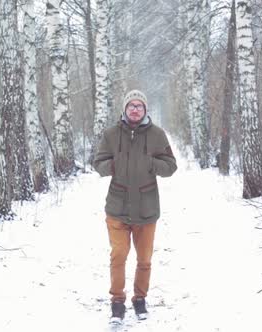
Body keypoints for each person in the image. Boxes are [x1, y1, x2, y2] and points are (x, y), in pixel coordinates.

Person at [93, 90, 177, 323]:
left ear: (145, 109)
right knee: (118, 255)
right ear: (124, 108)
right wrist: (114, 165)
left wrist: (150, 163)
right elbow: (98, 163)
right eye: (131, 105)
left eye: (139, 105)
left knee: (144, 259)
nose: (135, 109)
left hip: (146, 208)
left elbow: (171, 167)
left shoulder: (157, 135)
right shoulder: (111, 135)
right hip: (117, 206)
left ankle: (140, 299)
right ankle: (117, 302)